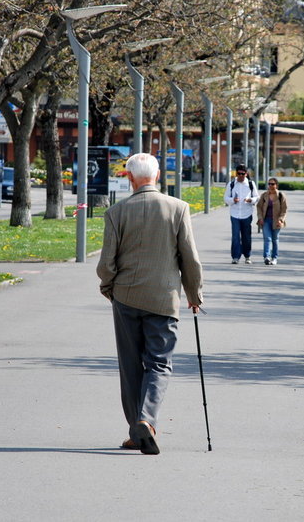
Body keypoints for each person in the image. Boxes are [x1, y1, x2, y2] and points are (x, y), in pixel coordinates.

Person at [96, 153, 203, 455]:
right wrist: (194, 295)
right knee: (158, 363)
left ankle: (136, 430)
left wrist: (109, 287)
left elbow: (107, 262)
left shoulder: (117, 212)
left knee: (130, 367)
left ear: (129, 178)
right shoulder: (178, 208)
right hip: (163, 298)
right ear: (157, 176)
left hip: (126, 297)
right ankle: (146, 420)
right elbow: (189, 259)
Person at [223, 164, 259, 264]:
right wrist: (232, 200)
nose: (241, 176)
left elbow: (257, 197)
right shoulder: (231, 184)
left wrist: (251, 200)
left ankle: (247, 256)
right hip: (234, 214)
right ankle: (235, 257)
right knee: (235, 236)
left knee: (246, 236)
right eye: (238, 173)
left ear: (246, 174)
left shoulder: (251, 184)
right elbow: (225, 198)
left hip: (247, 214)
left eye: (243, 174)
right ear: (236, 173)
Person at [256, 177, 288, 265]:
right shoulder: (264, 195)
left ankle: (274, 258)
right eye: (269, 184)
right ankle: (266, 257)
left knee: (275, 239)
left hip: (276, 221)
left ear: (276, 185)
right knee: (267, 238)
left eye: (272, 184)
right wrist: (260, 218)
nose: (270, 186)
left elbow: (284, 210)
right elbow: (259, 207)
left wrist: (281, 220)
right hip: (266, 220)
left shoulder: (281, 196)